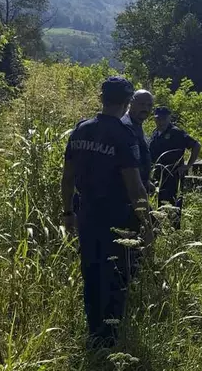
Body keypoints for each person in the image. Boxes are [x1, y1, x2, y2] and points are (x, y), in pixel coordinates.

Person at [60, 76, 154, 349]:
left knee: (91, 272)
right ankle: (109, 341)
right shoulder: (123, 135)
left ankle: (93, 333)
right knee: (115, 276)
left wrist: (67, 213)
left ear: (101, 98)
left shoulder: (81, 130)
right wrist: (147, 226)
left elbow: (67, 178)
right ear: (127, 103)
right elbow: (135, 187)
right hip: (117, 218)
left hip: (86, 214)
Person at [149, 106, 201, 228]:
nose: (160, 121)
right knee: (157, 203)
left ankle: (174, 231)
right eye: (157, 119)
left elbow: (196, 145)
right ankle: (158, 229)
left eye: (163, 118)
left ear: (169, 118)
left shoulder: (176, 132)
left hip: (173, 175)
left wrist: (188, 165)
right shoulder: (155, 133)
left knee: (173, 205)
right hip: (157, 175)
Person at [121, 89, 154, 191]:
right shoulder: (125, 126)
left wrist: (146, 181)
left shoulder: (137, 125)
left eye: (149, 105)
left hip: (139, 186)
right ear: (131, 103)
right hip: (127, 190)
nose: (146, 109)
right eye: (142, 104)